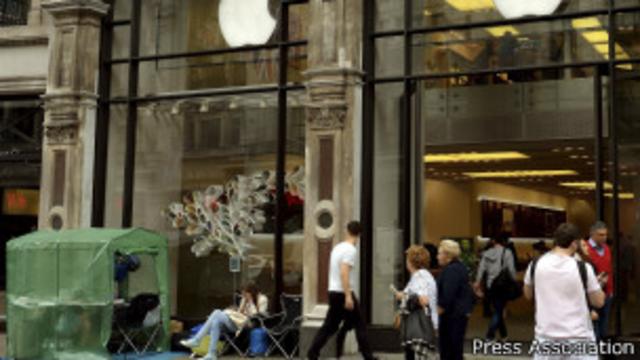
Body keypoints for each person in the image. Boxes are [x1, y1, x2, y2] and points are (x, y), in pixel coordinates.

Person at [524, 223, 605, 360]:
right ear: (574, 244)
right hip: (579, 339)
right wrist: (600, 285)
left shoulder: (536, 264)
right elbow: (598, 302)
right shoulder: (583, 268)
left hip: (546, 339)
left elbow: (528, 295)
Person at [307, 221, 376, 360]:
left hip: (333, 291)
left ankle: (313, 352)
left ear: (347, 231)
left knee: (330, 326)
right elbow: (344, 272)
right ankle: (368, 357)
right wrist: (348, 296)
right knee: (360, 324)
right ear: (359, 235)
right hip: (342, 292)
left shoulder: (337, 247)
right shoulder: (350, 250)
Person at [180, 282, 268, 360]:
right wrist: (235, 310)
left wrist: (251, 302)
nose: (243, 295)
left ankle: (197, 340)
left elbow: (259, 316)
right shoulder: (244, 299)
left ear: (251, 292)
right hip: (237, 323)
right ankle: (211, 354)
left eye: (245, 293)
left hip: (248, 325)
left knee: (217, 312)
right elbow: (239, 313)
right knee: (216, 322)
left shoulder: (262, 299)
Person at [393, 245, 438, 360]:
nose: (406, 261)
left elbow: (422, 299)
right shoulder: (422, 275)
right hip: (420, 325)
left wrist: (402, 296)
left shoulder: (420, 276)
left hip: (418, 326)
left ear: (411, 261)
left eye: (407, 258)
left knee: (413, 356)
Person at [473, 235, 516, 341]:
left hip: (490, 285)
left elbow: (481, 269)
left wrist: (477, 282)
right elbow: (511, 270)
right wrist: (514, 282)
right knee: (498, 311)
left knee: (497, 309)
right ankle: (490, 335)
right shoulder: (507, 253)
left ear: (493, 241)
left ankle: (504, 335)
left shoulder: (486, 254)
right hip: (502, 285)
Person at [437, 240, 474, 360]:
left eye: (439, 254)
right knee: (455, 348)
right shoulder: (459, 267)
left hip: (452, 316)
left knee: (449, 349)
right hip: (458, 314)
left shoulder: (451, 270)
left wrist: (438, 310)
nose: (437, 257)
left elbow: (448, 294)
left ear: (447, 255)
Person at [585, 221, 613, 340]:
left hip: (607, 293)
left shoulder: (606, 249)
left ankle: (602, 351)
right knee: (593, 328)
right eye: (601, 235)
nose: (604, 238)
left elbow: (609, 269)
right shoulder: (585, 249)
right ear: (592, 234)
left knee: (604, 327)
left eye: (605, 235)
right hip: (592, 295)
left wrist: (611, 291)